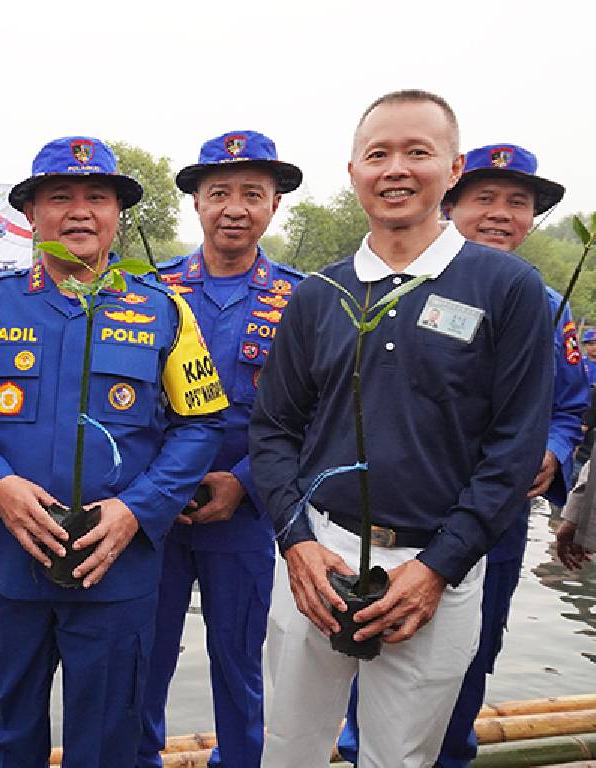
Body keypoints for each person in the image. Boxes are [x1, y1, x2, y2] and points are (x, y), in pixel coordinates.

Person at [250, 90, 553, 768]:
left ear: (452, 170)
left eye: (418, 152)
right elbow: (273, 430)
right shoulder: (318, 295)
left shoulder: (506, 289)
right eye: (377, 153)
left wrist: (439, 566)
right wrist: (296, 543)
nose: (396, 169)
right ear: (353, 171)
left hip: (435, 568)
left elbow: (514, 448)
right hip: (319, 557)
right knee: (289, 747)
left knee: (401, 758)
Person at [0, 136, 227, 767]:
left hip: (117, 570)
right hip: (14, 566)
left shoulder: (164, 311)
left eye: (96, 197)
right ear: (30, 213)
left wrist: (137, 509)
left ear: (117, 213)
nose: (78, 211)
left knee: (108, 742)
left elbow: (200, 425)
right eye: (59, 197)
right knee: (10, 732)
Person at [336, 142, 587, 767]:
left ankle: (450, 755)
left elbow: (572, 406)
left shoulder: (547, 306)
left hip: (491, 524)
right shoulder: (397, 289)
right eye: (485, 199)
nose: (500, 214)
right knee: (365, 644)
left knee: (466, 657)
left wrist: (553, 451)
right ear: (450, 203)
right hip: (393, 514)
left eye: (518, 203)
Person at [139, 130, 304, 768]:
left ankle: (239, 760)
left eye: (251, 195)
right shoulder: (152, 291)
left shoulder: (300, 299)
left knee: (239, 659)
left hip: (245, 509)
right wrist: (157, 488)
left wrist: (244, 481)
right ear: (197, 205)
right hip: (156, 510)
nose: (234, 208)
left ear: (273, 206)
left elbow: (307, 414)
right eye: (219, 194)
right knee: (144, 654)